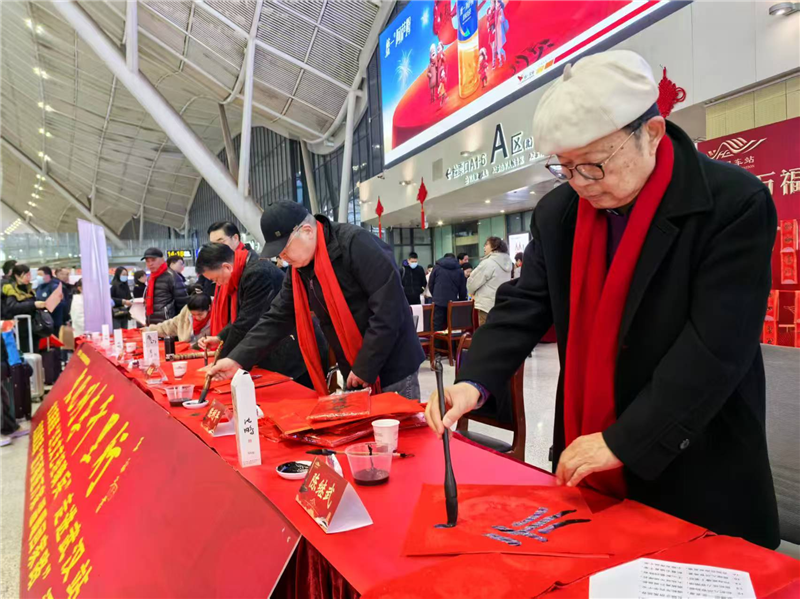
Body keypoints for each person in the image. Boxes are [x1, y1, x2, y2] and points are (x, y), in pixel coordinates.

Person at [426, 50, 780, 549]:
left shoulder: (731, 205)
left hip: (696, 465)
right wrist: (473, 381)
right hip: (587, 462)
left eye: (593, 165)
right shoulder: (560, 213)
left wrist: (623, 439)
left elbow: (715, 350)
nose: (580, 184)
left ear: (652, 133)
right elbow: (525, 306)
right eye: (565, 167)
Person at [204, 201, 424, 401]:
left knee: (400, 441)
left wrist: (365, 366)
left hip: (392, 365)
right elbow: (277, 317)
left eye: (285, 250)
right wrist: (237, 359)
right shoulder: (299, 270)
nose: (283, 258)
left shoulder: (356, 244)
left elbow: (389, 309)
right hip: (353, 366)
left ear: (307, 231)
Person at [195, 241, 320, 390]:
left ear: (227, 267)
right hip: (276, 346)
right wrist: (220, 338)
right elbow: (243, 316)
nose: (219, 284)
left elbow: (247, 322)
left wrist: (224, 360)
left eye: (216, 279)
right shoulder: (244, 271)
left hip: (296, 353)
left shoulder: (257, 273)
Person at [467, 236, 513, 325]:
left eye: (486, 244)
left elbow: (472, 283)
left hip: (487, 306)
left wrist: (471, 291)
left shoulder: (488, 263)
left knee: (485, 336)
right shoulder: (507, 262)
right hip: (501, 305)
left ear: (494, 246)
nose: (484, 247)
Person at [2, 264, 47, 353]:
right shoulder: (10, 289)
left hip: (32, 328)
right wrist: (34, 305)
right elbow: (12, 307)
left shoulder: (29, 289)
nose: (29, 277)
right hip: (18, 330)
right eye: (26, 275)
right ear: (17, 276)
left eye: (29, 274)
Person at [142, 248, 188, 325]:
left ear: (162, 259)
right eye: (147, 261)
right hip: (152, 324)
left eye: (153, 260)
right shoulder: (150, 278)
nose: (150, 264)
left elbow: (182, 304)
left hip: (168, 325)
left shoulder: (172, 276)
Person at [146, 293, 211, 346]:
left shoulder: (215, 318)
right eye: (193, 314)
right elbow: (172, 325)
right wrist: (151, 329)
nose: (196, 317)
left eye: (200, 314)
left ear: (209, 308)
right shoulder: (186, 313)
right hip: (185, 350)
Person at [428, 253, 468, 331]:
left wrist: (435, 295)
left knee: (437, 325)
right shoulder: (459, 270)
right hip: (452, 301)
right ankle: (451, 343)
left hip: (438, 301)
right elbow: (462, 288)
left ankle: (437, 343)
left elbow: (431, 283)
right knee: (451, 326)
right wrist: (461, 301)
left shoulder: (437, 268)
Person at [35, 266, 65, 331]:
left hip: (54, 321)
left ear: (48, 275)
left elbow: (60, 303)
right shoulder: (39, 287)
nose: (38, 277)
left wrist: (45, 306)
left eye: (40, 275)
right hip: (42, 322)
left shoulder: (55, 287)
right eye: (37, 275)